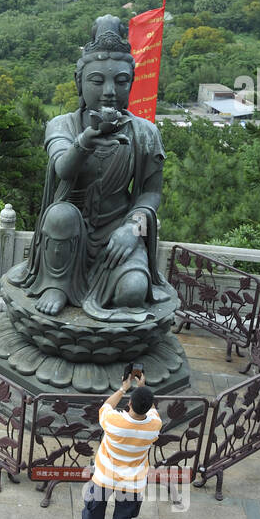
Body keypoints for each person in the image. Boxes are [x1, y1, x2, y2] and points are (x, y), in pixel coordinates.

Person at [11, 16, 169, 321]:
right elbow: (63, 170)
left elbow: (149, 193)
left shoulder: (144, 133)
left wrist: (132, 229)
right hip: (68, 236)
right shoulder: (63, 125)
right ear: (79, 82)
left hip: (117, 233)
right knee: (60, 213)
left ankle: (118, 281)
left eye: (121, 81)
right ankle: (56, 285)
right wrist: (85, 140)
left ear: (131, 84)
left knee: (134, 291)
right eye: (97, 81)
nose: (109, 91)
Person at [72, 373, 162, 519]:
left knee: (94, 509)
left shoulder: (114, 422)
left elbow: (107, 406)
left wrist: (123, 388)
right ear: (149, 406)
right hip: (133, 481)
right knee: (123, 517)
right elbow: (151, 410)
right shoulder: (155, 426)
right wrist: (142, 389)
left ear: (129, 404)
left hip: (105, 476)